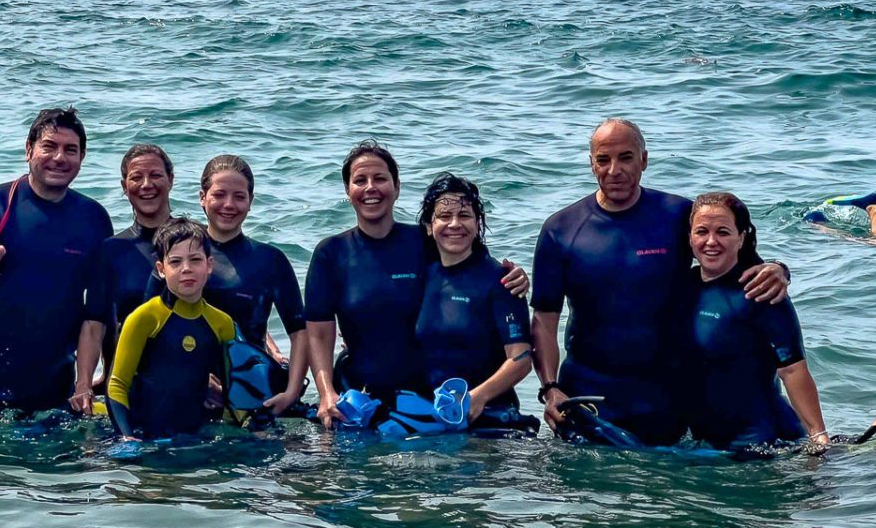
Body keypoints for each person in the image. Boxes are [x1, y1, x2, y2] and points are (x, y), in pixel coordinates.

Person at [531, 119, 791, 446]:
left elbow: (733, 259)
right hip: (587, 393)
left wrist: (779, 269)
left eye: (626, 157)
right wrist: (550, 389)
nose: (615, 170)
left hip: (666, 394)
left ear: (644, 159)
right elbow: (543, 319)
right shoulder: (561, 229)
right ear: (591, 163)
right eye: (603, 160)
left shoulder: (677, 215)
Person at [270, 140, 528, 424]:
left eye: (380, 178)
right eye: (360, 180)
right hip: (362, 396)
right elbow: (318, 335)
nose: (371, 187)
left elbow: (468, 262)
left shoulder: (424, 241)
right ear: (348, 191)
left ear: (396, 187)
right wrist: (326, 392)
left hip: (427, 401)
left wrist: (515, 277)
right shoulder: (331, 253)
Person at [0, 106, 114, 414]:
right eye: (49, 146)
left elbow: (95, 315)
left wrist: (84, 384)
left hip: (54, 389)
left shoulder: (93, 219)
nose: (60, 158)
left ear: (82, 158)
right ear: (28, 150)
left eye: (70, 150)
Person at [675, 192, 829, 452]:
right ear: (690, 238)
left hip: (761, 445)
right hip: (707, 442)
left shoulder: (761, 291)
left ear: (741, 238)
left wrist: (818, 435)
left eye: (723, 232)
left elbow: (792, 370)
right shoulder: (682, 286)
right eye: (702, 231)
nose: (711, 241)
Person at [413, 174, 537, 433]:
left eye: (465, 216)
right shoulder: (422, 274)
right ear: (428, 225)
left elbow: (521, 358)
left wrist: (477, 397)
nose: (455, 224)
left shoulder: (501, 280)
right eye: (444, 217)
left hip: (488, 419)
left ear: (478, 222)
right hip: (431, 418)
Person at [105, 218, 240, 440]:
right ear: (161, 269)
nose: (186, 269)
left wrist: (237, 431)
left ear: (209, 265)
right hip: (145, 435)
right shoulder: (144, 318)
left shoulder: (222, 324)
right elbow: (117, 385)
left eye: (195, 260)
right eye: (175, 262)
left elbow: (233, 391)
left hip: (196, 435)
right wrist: (126, 437)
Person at [71, 143, 175, 413]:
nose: (146, 184)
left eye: (155, 175)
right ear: (123, 185)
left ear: (171, 180)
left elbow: (223, 312)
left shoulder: (195, 244)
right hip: (124, 389)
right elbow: (94, 324)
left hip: (187, 386)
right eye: (136, 177)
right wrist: (83, 384)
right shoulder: (111, 251)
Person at [190, 153, 305, 380]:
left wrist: (291, 391)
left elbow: (300, 332)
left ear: (251, 201)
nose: (229, 204)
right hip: (187, 386)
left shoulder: (271, 260)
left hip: (249, 387)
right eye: (219, 195)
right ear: (202, 197)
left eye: (239, 196)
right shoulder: (180, 256)